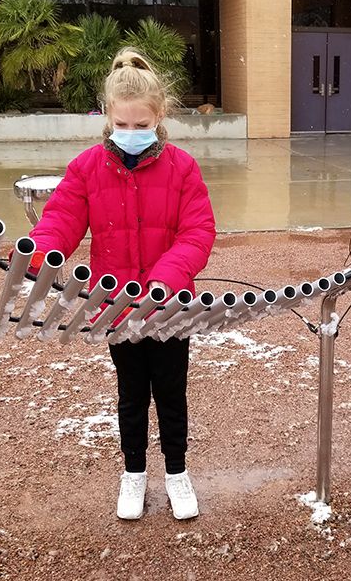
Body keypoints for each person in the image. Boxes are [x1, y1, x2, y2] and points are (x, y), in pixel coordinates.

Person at [29, 47, 216, 518]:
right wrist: (38, 252)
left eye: (141, 125)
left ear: (159, 117)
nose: (131, 134)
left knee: (171, 393)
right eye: (122, 125)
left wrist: (163, 282)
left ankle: (177, 473)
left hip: (170, 307)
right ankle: (133, 475)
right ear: (108, 118)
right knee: (131, 394)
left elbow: (197, 232)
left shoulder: (182, 168)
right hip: (114, 307)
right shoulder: (88, 167)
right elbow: (62, 219)